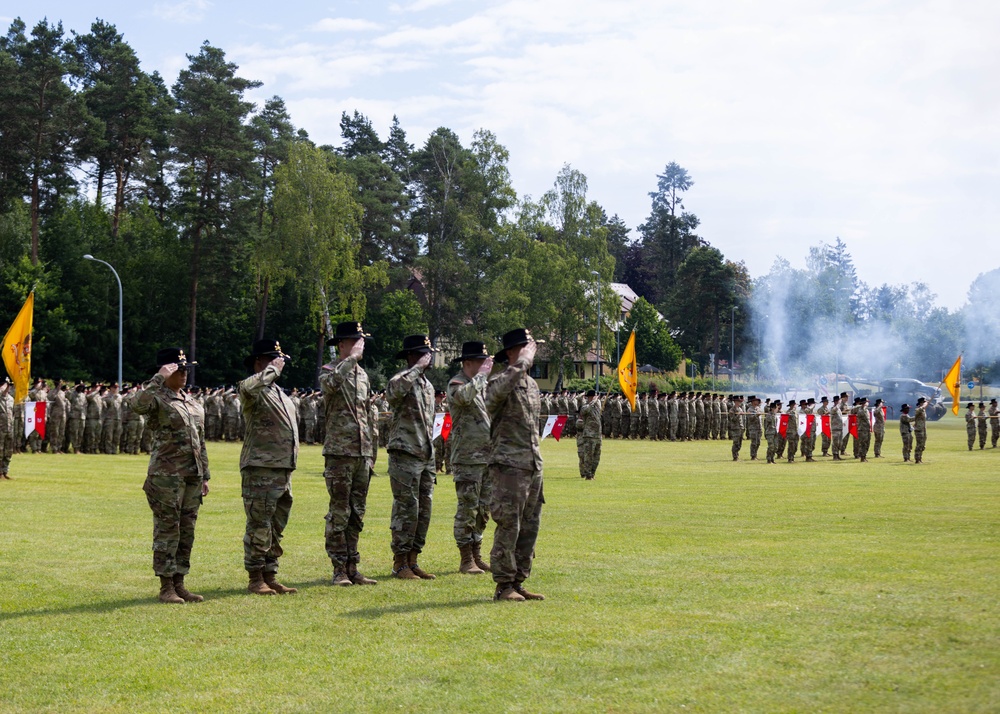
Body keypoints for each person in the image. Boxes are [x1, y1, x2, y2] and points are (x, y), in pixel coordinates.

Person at [131, 348, 210, 605]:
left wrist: (205, 475)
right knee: (168, 529)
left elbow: (200, 441)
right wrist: (157, 378)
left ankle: (179, 582)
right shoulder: (157, 397)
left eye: (186, 369)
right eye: (179, 369)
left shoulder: (191, 401)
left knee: (186, 531)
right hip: (166, 476)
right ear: (167, 371)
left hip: (191, 476)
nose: (185, 374)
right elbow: (136, 405)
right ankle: (166, 587)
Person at [486, 328, 545, 602]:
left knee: (530, 526)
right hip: (508, 466)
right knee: (509, 525)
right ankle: (504, 585)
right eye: (526, 347)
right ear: (511, 352)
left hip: (532, 464)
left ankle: (519, 580)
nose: (531, 350)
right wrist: (521, 364)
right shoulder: (498, 381)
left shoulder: (532, 386)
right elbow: (492, 399)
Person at [319, 322, 379, 587]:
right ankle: (339, 569)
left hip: (362, 452)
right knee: (339, 512)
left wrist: (372, 451)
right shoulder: (330, 371)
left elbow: (367, 413)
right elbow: (330, 387)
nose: (359, 345)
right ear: (342, 345)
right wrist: (352, 358)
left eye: (361, 341)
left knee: (357, 513)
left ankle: (353, 567)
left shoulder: (363, 375)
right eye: (354, 341)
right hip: (340, 452)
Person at [239, 339, 299, 596]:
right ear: (258, 363)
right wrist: (272, 370)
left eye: (279, 360)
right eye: (271, 359)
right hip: (261, 469)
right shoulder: (252, 389)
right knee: (259, 525)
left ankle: (270, 574)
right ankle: (255, 578)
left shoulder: (278, 393)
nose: (278, 364)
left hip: (283, 470)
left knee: (276, 527)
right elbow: (248, 386)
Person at [386, 334, 437, 580]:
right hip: (405, 452)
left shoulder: (427, 385)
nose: (426, 357)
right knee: (406, 508)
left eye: (427, 353)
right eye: (420, 353)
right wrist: (416, 369)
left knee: (424, 509)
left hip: (426, 454)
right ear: (410, 356)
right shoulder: (401, 379)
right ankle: (400, 563)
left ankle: (413, 559)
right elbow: (393, 394)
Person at [446, 340, 494, 575]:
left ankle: (476, 554)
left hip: (486, 456)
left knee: (483, 510)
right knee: (467, 508)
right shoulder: (458, 383)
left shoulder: (480, 386)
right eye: (481, 361)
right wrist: (482, 377)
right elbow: (463, 398)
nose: (486, 365)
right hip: (467, 457)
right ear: (467, 363)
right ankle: (466, 559)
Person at [577, 389, 602, 479]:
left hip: (598, 434)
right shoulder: (585, 406)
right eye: (594, 396)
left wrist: (596, 401)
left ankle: (592, 473)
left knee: (597, 456)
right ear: (590, 397)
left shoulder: (598, 405)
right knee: (588, 456)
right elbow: (584, 411)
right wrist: (593, 401)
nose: (596, 398)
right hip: (589, 434)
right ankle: (588, 475)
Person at [0, 379, 13, 479]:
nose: (8, 387)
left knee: (8, 451)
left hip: (9, 428)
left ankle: (5, 471)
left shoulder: (11, 399)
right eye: (6, 385)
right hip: (0, 428)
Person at [913, 397, 928, 464]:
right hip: (919, 429)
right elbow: (918, 410)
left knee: (923, 444)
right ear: (920, 403)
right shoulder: (918, 409)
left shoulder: (923, 410)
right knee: (919, 444)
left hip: (923, 429)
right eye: (923, 402)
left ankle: (920, 458)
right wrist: (924, 405)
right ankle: (917, 459)